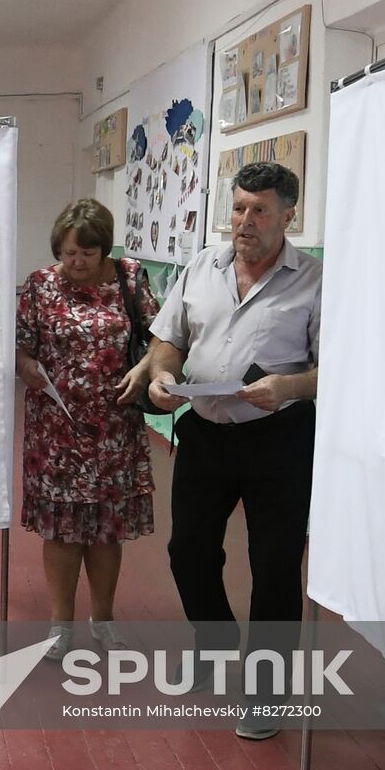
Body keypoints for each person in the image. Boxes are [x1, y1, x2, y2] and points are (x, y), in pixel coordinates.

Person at [144, 161, 321, 740]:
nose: (244, 221)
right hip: (204, 431)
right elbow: (169, 340)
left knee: (274, 565)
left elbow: (336, 368)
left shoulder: (314, 281)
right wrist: (162, 377)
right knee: (188, 551)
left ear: (288, 216)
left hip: (279, 439)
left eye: (259, 210)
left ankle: (267, 693)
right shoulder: (203, 265)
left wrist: (289, 386)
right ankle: (214, 646)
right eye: (239, 208)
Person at [15, 198, 158, 660]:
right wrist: (26, 365)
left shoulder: (130, 278)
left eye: (87, 254)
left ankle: (104, 619)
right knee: (61, 530)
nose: (76, 263)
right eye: (68, 253)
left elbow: (161, 337)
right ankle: (61, 624)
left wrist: (146, 371)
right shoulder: (40, 285)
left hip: (114, 426)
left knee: (106, 530)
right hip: (55, 430)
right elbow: (20, 345)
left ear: (105, 249)